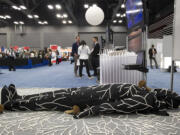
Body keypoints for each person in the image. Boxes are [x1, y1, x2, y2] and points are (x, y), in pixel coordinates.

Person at [1, 81, 180, 118]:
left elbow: (116, 106)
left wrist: (88, 112)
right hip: (93, 91)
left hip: (92, 97)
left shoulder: (147, 99)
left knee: (53, 99)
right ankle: (18, 99)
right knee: (55, 94)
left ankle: (12, 105)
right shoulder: (147, 95)